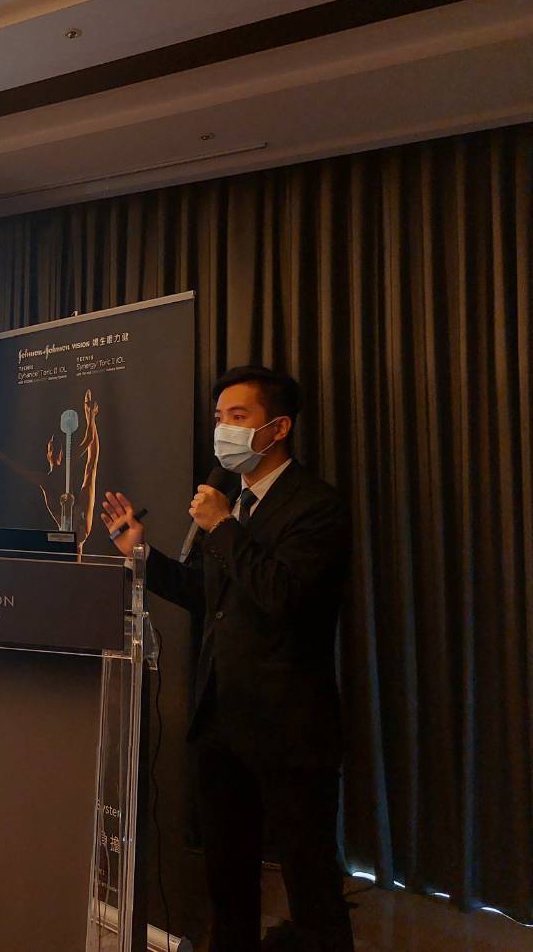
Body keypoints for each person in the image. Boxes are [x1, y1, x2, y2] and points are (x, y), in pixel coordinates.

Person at [101, 365, 354, 952]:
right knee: (228, 884)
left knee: (311, 883)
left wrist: (221, 526)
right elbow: (207, 596)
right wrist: (142, 555)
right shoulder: (233, 506)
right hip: (220, 722)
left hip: (290, 728)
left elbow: (283, 595)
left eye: (238, 417)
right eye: (219, 418)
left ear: (278, 427)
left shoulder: (316, 506)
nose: (223, 430)